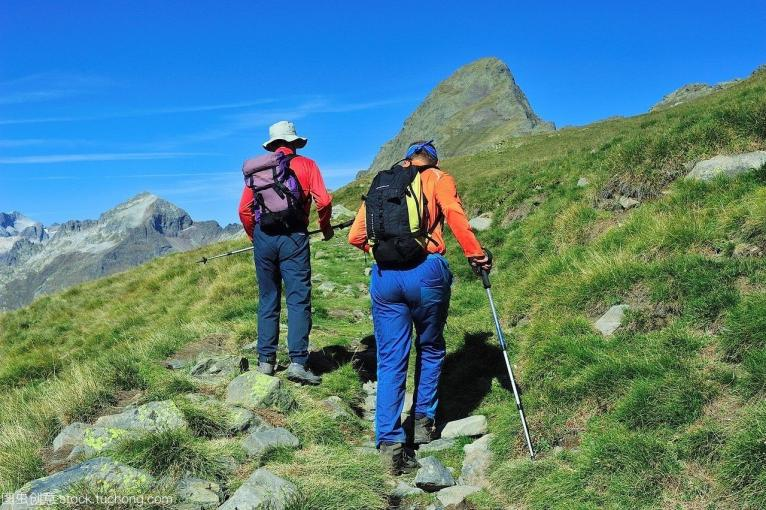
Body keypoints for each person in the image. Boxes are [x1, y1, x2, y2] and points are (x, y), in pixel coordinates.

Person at [348, 140, 491, 473]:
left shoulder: (384, 182)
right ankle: (423, 425)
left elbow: (355, 236)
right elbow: (455, 216)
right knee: (430, 345)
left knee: (390, 358)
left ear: (408, 159)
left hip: (385, 278)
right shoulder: (438, 178)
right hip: (427, 270)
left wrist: (384, 253)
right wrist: (476, 254)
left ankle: (389, 443)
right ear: (433, 160)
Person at [238, 120, 333, 385]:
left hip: (264, 238)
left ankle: (266, 362)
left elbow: (244, 210)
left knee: (268, 297)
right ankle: (297, 363)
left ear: (273, 144)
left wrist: (254, 236)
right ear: (294, 142)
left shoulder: (260, 170)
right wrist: (324, 227)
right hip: (294, 236)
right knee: (298, 298)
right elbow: (323, 201)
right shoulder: (307, 165)